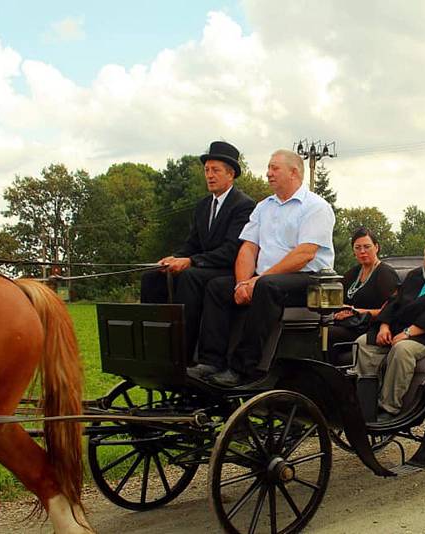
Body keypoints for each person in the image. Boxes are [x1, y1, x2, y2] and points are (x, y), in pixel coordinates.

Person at [190, 149, 335, 387]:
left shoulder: (316, 207)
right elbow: (248, 248)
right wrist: (242, 283)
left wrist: (257, 281)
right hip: (265, 279)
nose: (268, 174)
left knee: (267, 287)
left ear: (294, 172)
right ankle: (210, 361)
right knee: (217, 287)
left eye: (274, 168)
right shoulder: (263, 207)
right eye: (268, 168)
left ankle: (244, 368)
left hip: (308, 280)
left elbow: (304, 254)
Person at [140, 141, 255, 357]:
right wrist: (175, 257)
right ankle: (154, 345)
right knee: (152, 277)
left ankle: (184, 350)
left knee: (189, 277)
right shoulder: (203, 206)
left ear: (230, 175)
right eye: (207, 170)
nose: (209, 175)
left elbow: (232, 250)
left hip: (227, 268)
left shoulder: (244, 205)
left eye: (215, 170)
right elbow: (192, 243)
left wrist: (191, 261)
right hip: (203, 266)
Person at [353, 237, 425, 420]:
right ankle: (365, 401)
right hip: (396, 329)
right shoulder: (415, 275)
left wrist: (408, 333)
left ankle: (389, 407)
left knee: (402, 350)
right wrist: (384, 326)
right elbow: (393, 302)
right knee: (362, 343)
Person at [327, 228, 399, 365]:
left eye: (367, 247)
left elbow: (391, 309)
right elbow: (340, 302)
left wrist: (356, 312)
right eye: (357, 247)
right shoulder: (352, 274)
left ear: (376, 247)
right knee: (320, 330)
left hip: (370, 327)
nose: (362, 251)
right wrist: (341, 312)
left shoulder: (385, 274)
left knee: (328, 334)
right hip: (349, 324)